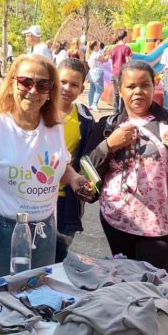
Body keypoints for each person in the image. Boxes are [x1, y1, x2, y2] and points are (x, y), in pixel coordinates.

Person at [0, 54, 93, 295]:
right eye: (25, 82)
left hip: (44, 233)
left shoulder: (55, 128)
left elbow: (61, 166)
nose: (33, 90)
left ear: (51, 90)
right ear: (11, 84)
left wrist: (73, 178)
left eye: (42, 84)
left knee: (34, 302)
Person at [87, 60, 168, 273]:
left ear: (154, 86)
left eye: (145, 85)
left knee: (156, 286)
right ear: (120, 90)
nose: (138, 92)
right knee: (124, 281)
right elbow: (87, 169)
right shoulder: (108, 126)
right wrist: (108, 145)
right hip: (118, 221)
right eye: (131, 86)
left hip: (163, 225)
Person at [55, 58, 98, 262]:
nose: (67, 88)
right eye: (63, 81)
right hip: (34, 198)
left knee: (59, 255)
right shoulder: (36, 111)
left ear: (82, 88)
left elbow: (90, 156)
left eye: (74, 84)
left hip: (66, 200)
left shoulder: (85, 118)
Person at [109, 30, 132, 111]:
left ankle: (115, 111)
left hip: (115, 73)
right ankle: (123, 111)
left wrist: (113, 72)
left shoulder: (114, 49)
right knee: (124, 92)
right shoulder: (126, 48)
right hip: (123, 73)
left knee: (116, 93)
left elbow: (111, 63)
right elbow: (128, 62)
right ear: (125, 37)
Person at [86, 40, 107, 112]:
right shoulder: (96, 54)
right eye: (98, 45)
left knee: (92, 89)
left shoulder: (92, 54)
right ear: (95, 46)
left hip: (92, 73)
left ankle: (91, 104)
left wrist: (104, 53)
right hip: (97, 74)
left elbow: (102, 58)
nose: (99, 46)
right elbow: (105, 60)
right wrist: (109, 54)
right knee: (99, 90)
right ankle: (94, 105)